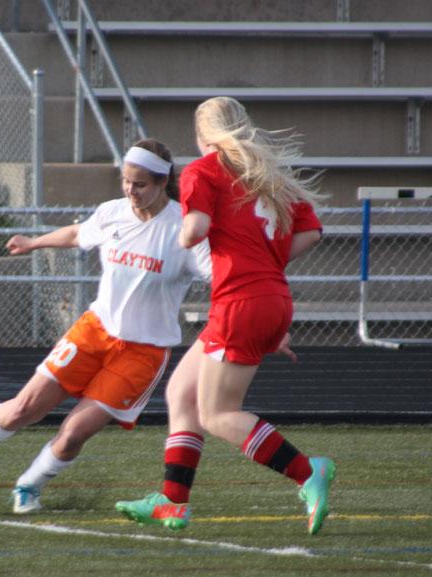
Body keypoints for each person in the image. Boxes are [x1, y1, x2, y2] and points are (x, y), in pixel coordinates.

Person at [0, 138, 212, 514]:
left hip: (143, 352)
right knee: (22, 408)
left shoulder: (183, 229)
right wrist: (34, 243)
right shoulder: (112, 212)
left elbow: (220, 276)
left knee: (75, 432)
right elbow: (78, 234)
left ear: (161, 183)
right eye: (126, 181)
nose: (130, 190)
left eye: (139, 184)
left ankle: (29, 486)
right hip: (93, 331)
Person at [115, 96, 335, 535]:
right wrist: (265, 265)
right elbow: (311, 231)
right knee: (181, 392)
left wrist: (180, 234)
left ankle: (308, 471)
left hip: (240, 301)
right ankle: (172, 502)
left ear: (204, 135)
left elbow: (193, 230)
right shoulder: (267, 174)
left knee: (217, 414)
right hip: (269, 296)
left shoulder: (203, 170)